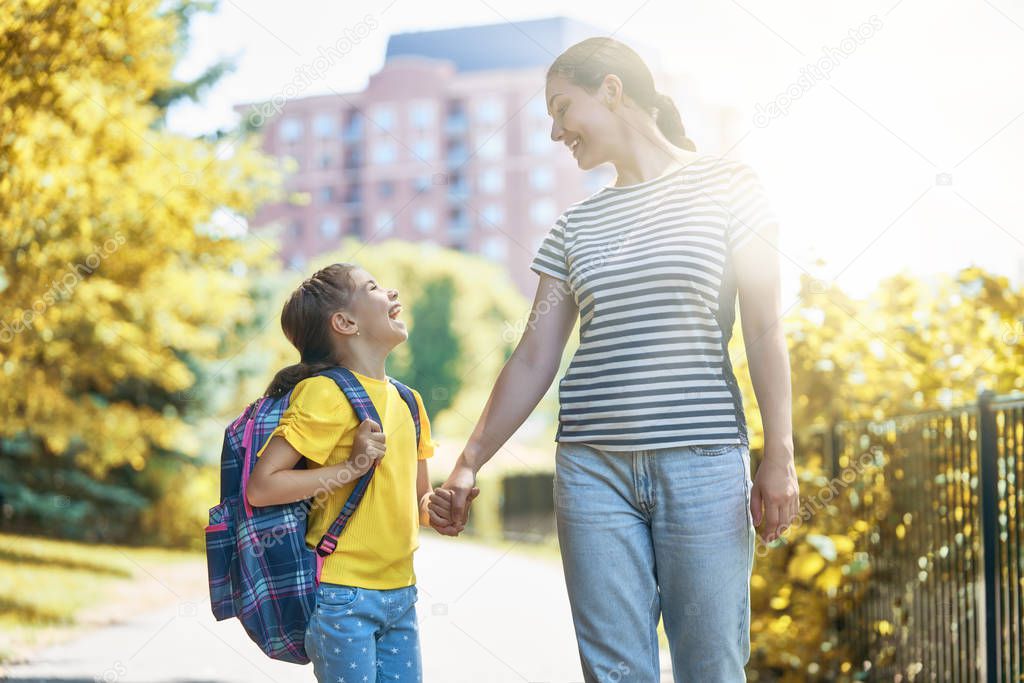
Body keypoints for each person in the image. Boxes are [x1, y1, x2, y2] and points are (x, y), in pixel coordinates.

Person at [428, 37, 800, 682]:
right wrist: (467, 462)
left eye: (561, 108)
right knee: (616, 673)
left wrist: (780, 454)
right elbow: (533, 357)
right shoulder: (575, 226)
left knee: (710, 665)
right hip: (591, 473)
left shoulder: (729, 185)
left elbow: (765, 330)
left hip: (705, 463)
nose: (553, 131)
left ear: (611, 90)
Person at [247, 263, 446, 683]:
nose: (391, 291)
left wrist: (442, 507)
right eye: (373, 286)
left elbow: (421, 505)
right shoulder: (325, 393)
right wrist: (350, 467)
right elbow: (263, 487)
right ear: (345, 322)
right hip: (343, 595)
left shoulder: (409, 401)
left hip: (402, 593)